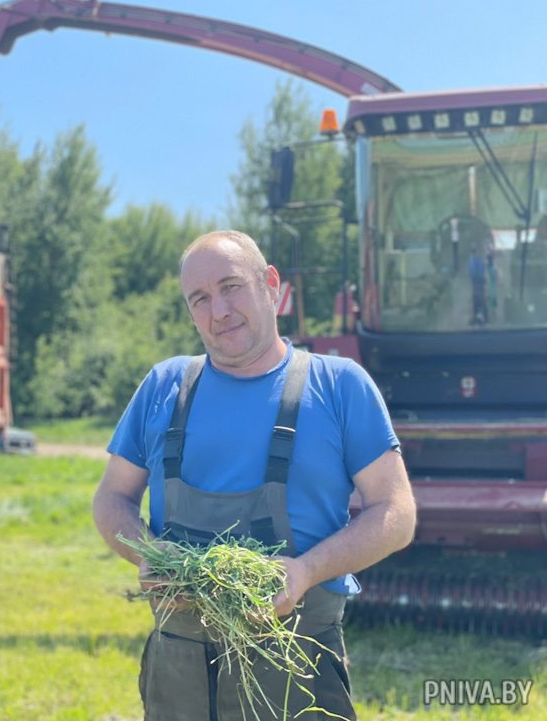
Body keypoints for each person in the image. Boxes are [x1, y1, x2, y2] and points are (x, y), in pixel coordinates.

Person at [93, 230, 417, 721]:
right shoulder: (164, 385)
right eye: (200, 299)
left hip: (295, 666)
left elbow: (396, 514)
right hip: (177, 671)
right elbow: (111, 498)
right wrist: (149, 553)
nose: (219, 310)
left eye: (231, 287)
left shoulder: (339, 385)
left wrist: (305, 571)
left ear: (271, 285)